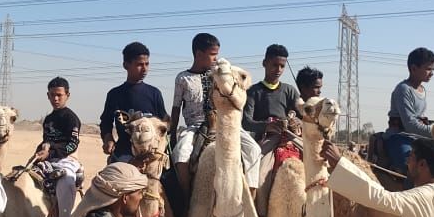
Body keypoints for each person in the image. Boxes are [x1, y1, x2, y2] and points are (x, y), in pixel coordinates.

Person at [170, 33, 261, 197]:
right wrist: (172, 136)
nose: (216, 58)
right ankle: (186, 198)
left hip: (224, 123)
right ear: (199, 54)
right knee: (181, 154)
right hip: (195, 126)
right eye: (212, 54)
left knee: (254, 149)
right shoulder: (182, 79)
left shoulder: (220, 74)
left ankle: (251, 195)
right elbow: (176, 108)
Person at [98, 42, 167, 164]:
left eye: (147, 64)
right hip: (123, 153)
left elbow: (164, 124)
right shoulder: (114, 94)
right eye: (139, 64)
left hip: (151, 155)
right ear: (126, 65)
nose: (144, 69)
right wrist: (108, 139)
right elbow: (106, 122)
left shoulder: (154, 93)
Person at [34, 77, 84, 217]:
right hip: (48, 159)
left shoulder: (71, 118)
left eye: (59, 95)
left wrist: (50, 153)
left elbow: (72, 144)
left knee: (66, 180)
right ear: (48, 95)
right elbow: (46, 140)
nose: (55, 98)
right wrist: (40, 152)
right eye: (52, 95)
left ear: (67, 95)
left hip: (67, 159)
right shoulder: (48, 119)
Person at [384, 47, 434, 173]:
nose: (432, 73)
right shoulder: (403, 89)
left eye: (433, 69)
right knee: (410, 167)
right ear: (414, 68)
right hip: (399, 137)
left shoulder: (422, 90)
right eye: (428, 69)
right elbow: (410, 124)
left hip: (416, 138)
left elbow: (420, 118)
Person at [243, 43, 302, 143]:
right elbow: (246, 122)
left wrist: (297, 122)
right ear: (264, 63)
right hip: (263, 141)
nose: (279, 70)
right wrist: (267, 126)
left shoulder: (290, 90)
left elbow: (304, 117)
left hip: (289, 140)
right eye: (275, 65)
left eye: (282, 66)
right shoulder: (252, 91)